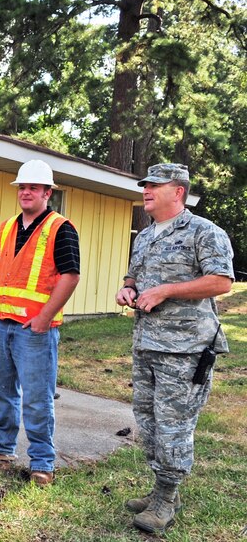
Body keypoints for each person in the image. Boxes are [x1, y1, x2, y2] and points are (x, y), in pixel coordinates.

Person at [115, 163, 233, 534]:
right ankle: (162, 488)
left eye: (154, 185)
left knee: (173, 425)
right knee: (147, 418)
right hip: (147, 343)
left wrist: (166, 290)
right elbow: (133, 275)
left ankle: (167, 497)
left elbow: (220, 282)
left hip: (185, 349)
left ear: (178, 191)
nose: (146, 190)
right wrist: (128, 289)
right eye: (145, 185)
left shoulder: (205, 232)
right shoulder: (146, 236)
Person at [0, 159, 80, 486]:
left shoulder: (61, 228)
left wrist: (44, 318)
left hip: (35, 330)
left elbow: (70, 276)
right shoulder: (5, 228)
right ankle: (1, 444)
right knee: (2, 391)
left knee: (37, 397)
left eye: (33, 187)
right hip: (1, 324)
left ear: (47, 192)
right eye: (22, 187)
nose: (26, 192)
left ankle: (43, 461)